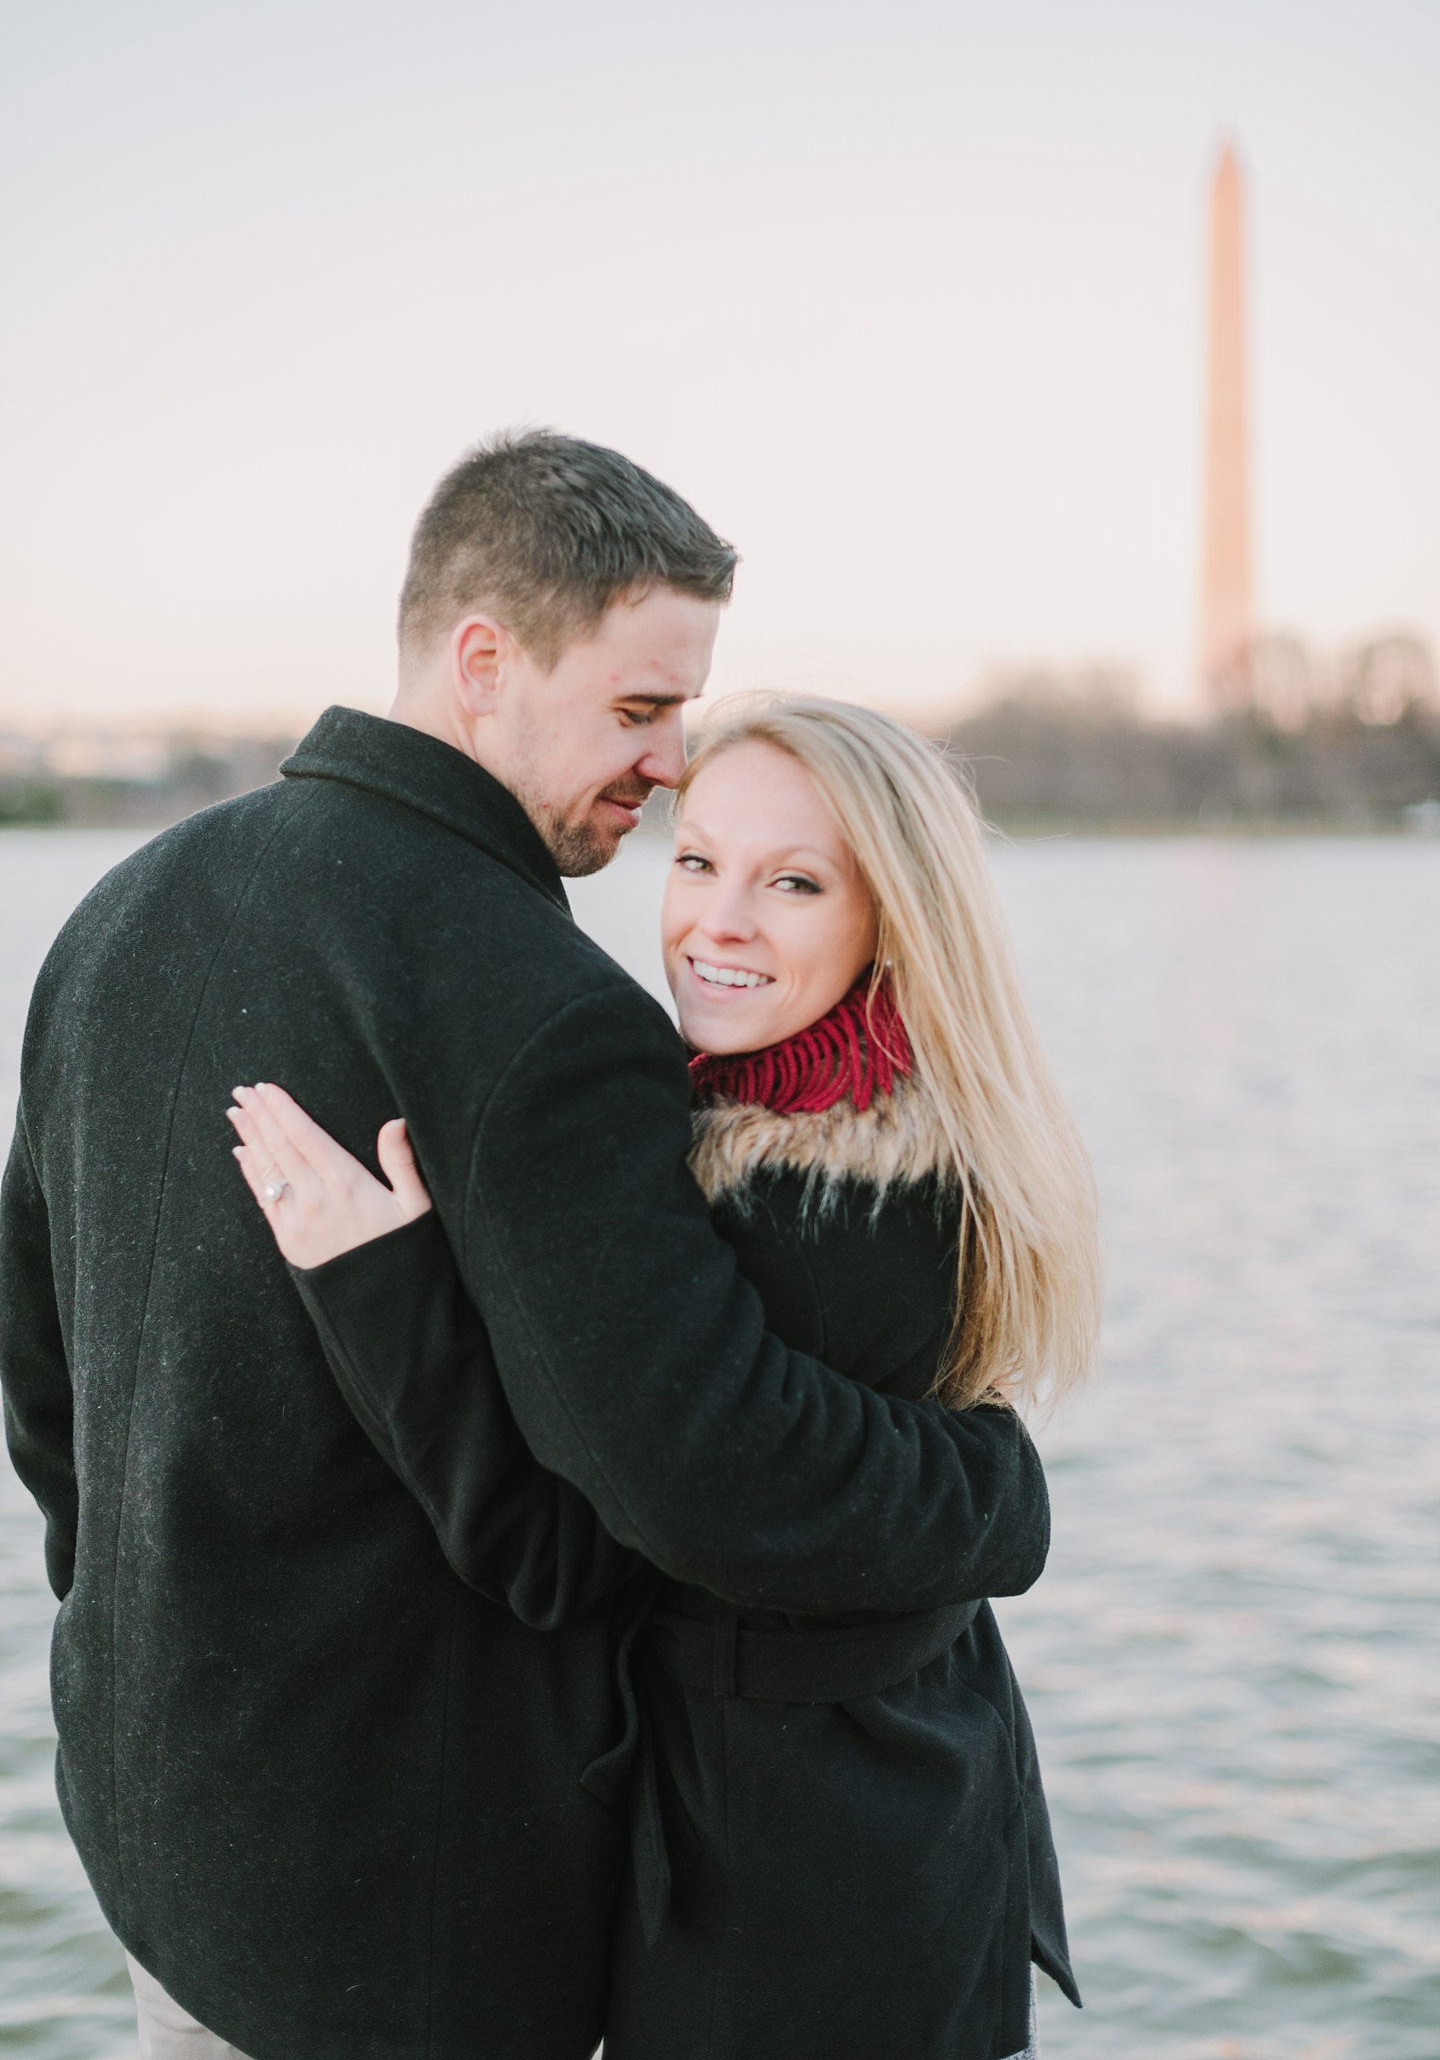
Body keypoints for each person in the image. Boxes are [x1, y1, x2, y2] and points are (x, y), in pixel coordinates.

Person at [0, 433, 1053, 2060]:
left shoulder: (120, 908)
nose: (664, 765)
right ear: (484, 661)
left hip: (156, 1827)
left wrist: (132, 1635)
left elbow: (42, 1382)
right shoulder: (543, 1009)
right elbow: (690, 1481)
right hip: (399, 1910)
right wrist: (992, 1488)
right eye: (639, 712)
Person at [228, 695, 1103, 2059]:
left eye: (795, 883)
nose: (718, 921)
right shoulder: (891, 1128)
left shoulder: (814, 1216)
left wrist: (379, 1281)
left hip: (797, 1874)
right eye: (697, 860)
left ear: (899, 920)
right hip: (910, 1799)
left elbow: (560, 1555)